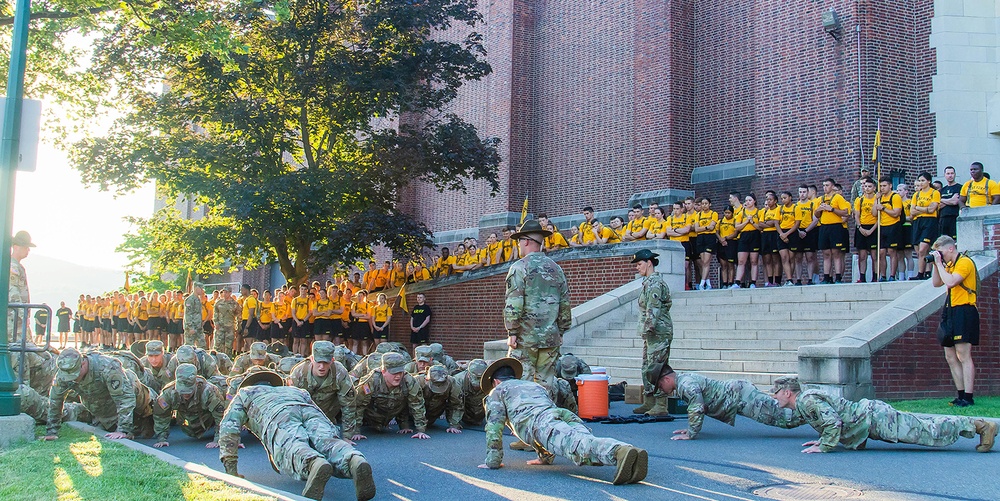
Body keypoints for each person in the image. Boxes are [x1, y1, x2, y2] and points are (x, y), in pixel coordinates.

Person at [478, 358, 647, 485]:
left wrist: (493, 461)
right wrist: (544, 457)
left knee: (577, 446)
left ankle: (619, 451)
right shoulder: (533, 386)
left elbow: (494, 426)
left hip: (540, 422)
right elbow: (545, 414)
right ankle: (631, 457)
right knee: (583, 440)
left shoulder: (497, 391)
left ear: (496, 381)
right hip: (558, 414)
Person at [218, 372, 376, 501]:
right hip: (308, 410)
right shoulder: (295, 390)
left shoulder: (245, 393)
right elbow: (319, 414)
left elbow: (229, 427)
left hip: (278, 414)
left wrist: (231, 469)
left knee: (291, 445)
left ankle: (313, 463)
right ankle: (354, 460)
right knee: (328, 442)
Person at [771, 376, 997, 453]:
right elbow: (831, 420)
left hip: (877, 419)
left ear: (788, 392)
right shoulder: (803, 402)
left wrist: (825, 445)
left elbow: (833, 422)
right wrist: (822, 439)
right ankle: (978, 425)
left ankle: (981, 426)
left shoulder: (807, 400)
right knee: (924, 426)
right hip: (873, 418)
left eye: (776, 393)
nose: (774, 397)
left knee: (929, 432)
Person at [647, 362, 803, 440]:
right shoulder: (683, 380)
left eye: (660, 385)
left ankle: (817, 414)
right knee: (779, 414)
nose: (661, 389)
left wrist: (691, 433)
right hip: (738, 395)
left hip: (740, 397)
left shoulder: (685, 384)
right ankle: (816, 414)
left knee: (783, 418)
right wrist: (690, 428)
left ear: (666, 379)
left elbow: (697, 407)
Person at [503, 219, 572, 392]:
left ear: (525, 241)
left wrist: (512, 331)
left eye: (519, 241)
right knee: (546, 385)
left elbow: (514, 303)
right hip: (551, 336)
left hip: (525, 337)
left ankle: (522, 418)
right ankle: (545, 417)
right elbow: (565, 302)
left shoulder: (519, 267)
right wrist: (562, 330)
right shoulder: (556, 268)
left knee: (520, 385)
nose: (519, 245)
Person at [44, 347, 155, 441]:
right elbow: (55, 401)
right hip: (103, 404)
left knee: (147, 423)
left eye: (75, 374)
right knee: (107, 426)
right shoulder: (64, 373)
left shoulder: (107, 366)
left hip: (136, 396)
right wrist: (52, 431)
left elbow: (125, 398)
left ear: (83, 363)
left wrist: (123, 430)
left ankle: (145, 418)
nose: (73, 378)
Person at [930, 235, 981, 407]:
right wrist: (936, 265)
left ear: (950, 248)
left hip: (964, 310)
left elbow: (951, 282)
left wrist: (939, 263)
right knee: (950, 355)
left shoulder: (964, 262)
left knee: (963, 354)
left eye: (941, 252)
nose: (940, 255)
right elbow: (936, 283)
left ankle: (968, 396)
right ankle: (960, 395)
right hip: (950, 309)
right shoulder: (948, 265)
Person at [346, 352, 430, 441]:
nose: (398, 376)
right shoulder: (371, 381)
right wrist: (356, 432)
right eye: (394, 373)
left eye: (400, 372)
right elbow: (359, 406)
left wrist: (420, 430)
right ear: (383, 371)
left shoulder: (409, 381)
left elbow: (417, 404)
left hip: (394, 412)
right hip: (370, 417)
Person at [629, 249, 673, 416]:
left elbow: (653, 309)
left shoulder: (655, 283)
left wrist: (649, 328)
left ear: (649, 263)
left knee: (658, 368)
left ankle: (661, 404)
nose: (637, 268)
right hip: (653, 333)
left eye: (639, 264)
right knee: (648, 367)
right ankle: (650, 400)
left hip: (658, 332)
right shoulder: (649, 282)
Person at [151, 363, 228, 448]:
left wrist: (218, 439)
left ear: (195, 383)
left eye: (188, 391)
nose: (185, 395)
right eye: (182, 391)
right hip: (185, 421)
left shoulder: (208, 391)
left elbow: (220, 416)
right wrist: (162, 438)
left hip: (207, 419)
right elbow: (161, 415)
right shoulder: (169, 393)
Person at [288, 341, 357, 427]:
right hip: (303, 420)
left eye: (326, 363)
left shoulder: (339, 372)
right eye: (318, 362)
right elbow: (290, 404)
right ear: (312, 359)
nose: (322, 367)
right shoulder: (299, 373)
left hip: (327, 419)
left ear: (332, 360)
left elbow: (348, 404)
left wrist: (348, 435)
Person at [815, 178, 851, 284]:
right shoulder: (820, 199)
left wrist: (832, 209)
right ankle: (827, 277)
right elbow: (816, 215)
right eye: (823, 185)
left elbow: (845, 212)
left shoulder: (838, 198)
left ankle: (838, 277)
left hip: (836, 227)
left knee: (836, 252)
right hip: (824, 227)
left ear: (832, 186)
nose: (825, 187)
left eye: (827, 185)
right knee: (826, 253)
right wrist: (819, 210)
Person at [910, 172, 941, 279]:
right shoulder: (916, 195)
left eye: (923, 180)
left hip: (930, 221)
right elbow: (911, 211)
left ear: (929, 181)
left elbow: (932, 209)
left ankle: (921, 273)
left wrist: (919, 208)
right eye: (919, 180)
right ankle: (925, 272)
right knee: (919, 250)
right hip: (918, 222)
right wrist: (925, 209)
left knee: (924, 248)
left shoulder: (934, 193)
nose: (921, 183)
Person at [416, 364, 463, 433]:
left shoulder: (452, 383)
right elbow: (414, 404)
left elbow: (456, 404)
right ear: (427, 379)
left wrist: (454, 424)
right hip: (413, 415)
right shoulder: (418, 382)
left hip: (434, 414)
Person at [8, 230, 34, 342]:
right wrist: (23, 316)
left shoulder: (18, 266)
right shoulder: (12, 266)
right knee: (18, 353)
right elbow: (13, 294)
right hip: (14, 320)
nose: (28, 250)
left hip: (18, 320)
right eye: (25, 246)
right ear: (16, 246)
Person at [853, 177, 878, 282]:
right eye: (865, 186)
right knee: (862, 255)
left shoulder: (877, 198)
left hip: (873, 227)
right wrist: (860, 227)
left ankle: (875, 277)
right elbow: (857, 215)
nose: (867, 188)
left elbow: (878, 216)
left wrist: (872, 230)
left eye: (869, 186)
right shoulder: (859, 199)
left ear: (874, 188)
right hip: (862, 227)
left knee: (874, 255)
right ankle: (862, 277)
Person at [453, 358, 489, 428]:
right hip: (463, 415)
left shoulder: (491, 381)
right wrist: (454, 423)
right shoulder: (458, 380)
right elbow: (454, 403)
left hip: (481, 415)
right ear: (468, 374)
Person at [212, 288, 239, 356]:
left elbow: (238, 315)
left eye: (226, 292)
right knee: (218, 345)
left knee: (229, 346)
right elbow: (215, 314)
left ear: (230, 293)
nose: (225, 294)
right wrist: (216, 323)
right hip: (220, 327)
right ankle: (217, 360)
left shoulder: (235, 304)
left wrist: (238, 327)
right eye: (224, 292)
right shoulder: (218, 303)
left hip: (230, 327)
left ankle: (228, 361)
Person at [938, 165, 961, 239]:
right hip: (943, 219)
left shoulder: (960, 187)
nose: (950, 176)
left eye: (952, 173)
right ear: (944, 175)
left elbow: (955, 202)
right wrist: (950, 200)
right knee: (944, 241)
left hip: (955, 217)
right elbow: (938, 206)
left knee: (955, 240)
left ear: (955, 174)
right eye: (948, 174)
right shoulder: (941, 190)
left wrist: (942, 200)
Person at [183, 283, 206, 348]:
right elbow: (188, 314)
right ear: (196, 288)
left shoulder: (198, 299)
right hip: (191, 327)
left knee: (202, 346)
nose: (202, 291)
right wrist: (190, 327)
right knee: (189, 347)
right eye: (201, 289)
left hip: (198, 327)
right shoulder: (190, 299)